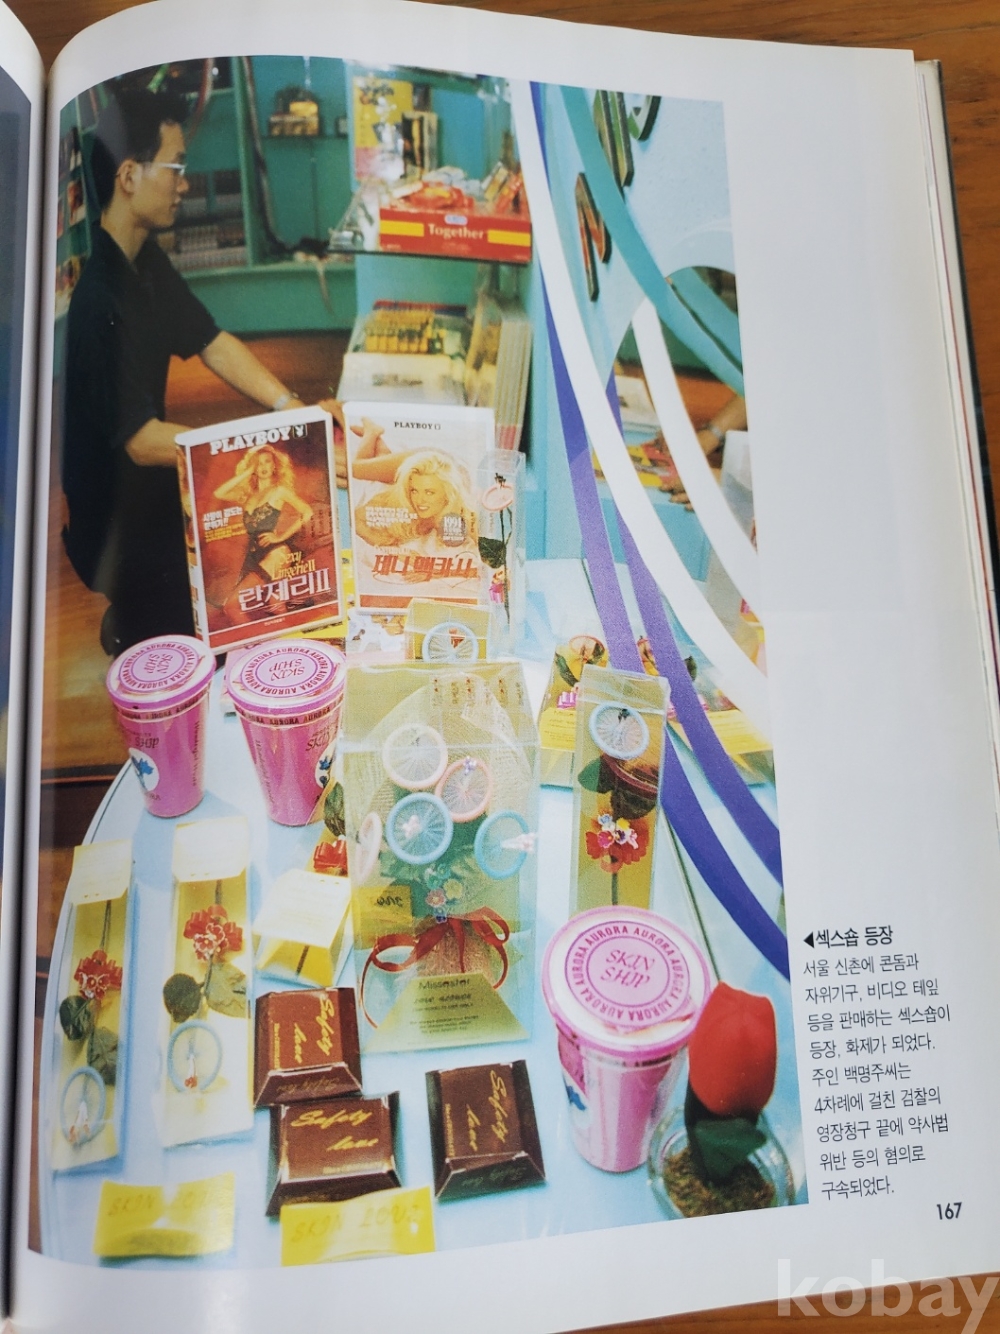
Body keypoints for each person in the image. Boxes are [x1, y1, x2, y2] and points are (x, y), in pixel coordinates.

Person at [61, 86, 340, 654]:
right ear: (130, 175)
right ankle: (139, 624)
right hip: (118, 534)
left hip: (150, 499)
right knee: (237, 600)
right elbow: (143, 441)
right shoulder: (98, 301)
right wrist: (266, 447)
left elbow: (212, 342)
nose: (185, 185)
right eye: (176, 168)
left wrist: (293, 410)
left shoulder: (143, 260)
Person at [212, 442, 313, 622]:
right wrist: (247, 471)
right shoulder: (246, 496)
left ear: (274, 465)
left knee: (233, 606)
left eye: (267, 461)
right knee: (273, 603)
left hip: (276, 552)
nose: (263, 466)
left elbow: (307, 512)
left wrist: (280, 536)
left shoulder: (279, 490)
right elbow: (219, 493)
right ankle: (289, 634)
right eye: (258, 463)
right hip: (254, 555)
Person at [350, 417, 478, 555]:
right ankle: (371, 431)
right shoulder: (399, 499)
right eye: (414, 491)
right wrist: (386, 544)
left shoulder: (462, 513)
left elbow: (488, 549)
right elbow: (356, 518)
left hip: (444, 469)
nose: (419, 500)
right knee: (356, 469)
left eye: (429, 492)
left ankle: (383, 452)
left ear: (447, 494)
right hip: (424, 461)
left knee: (385, 472)